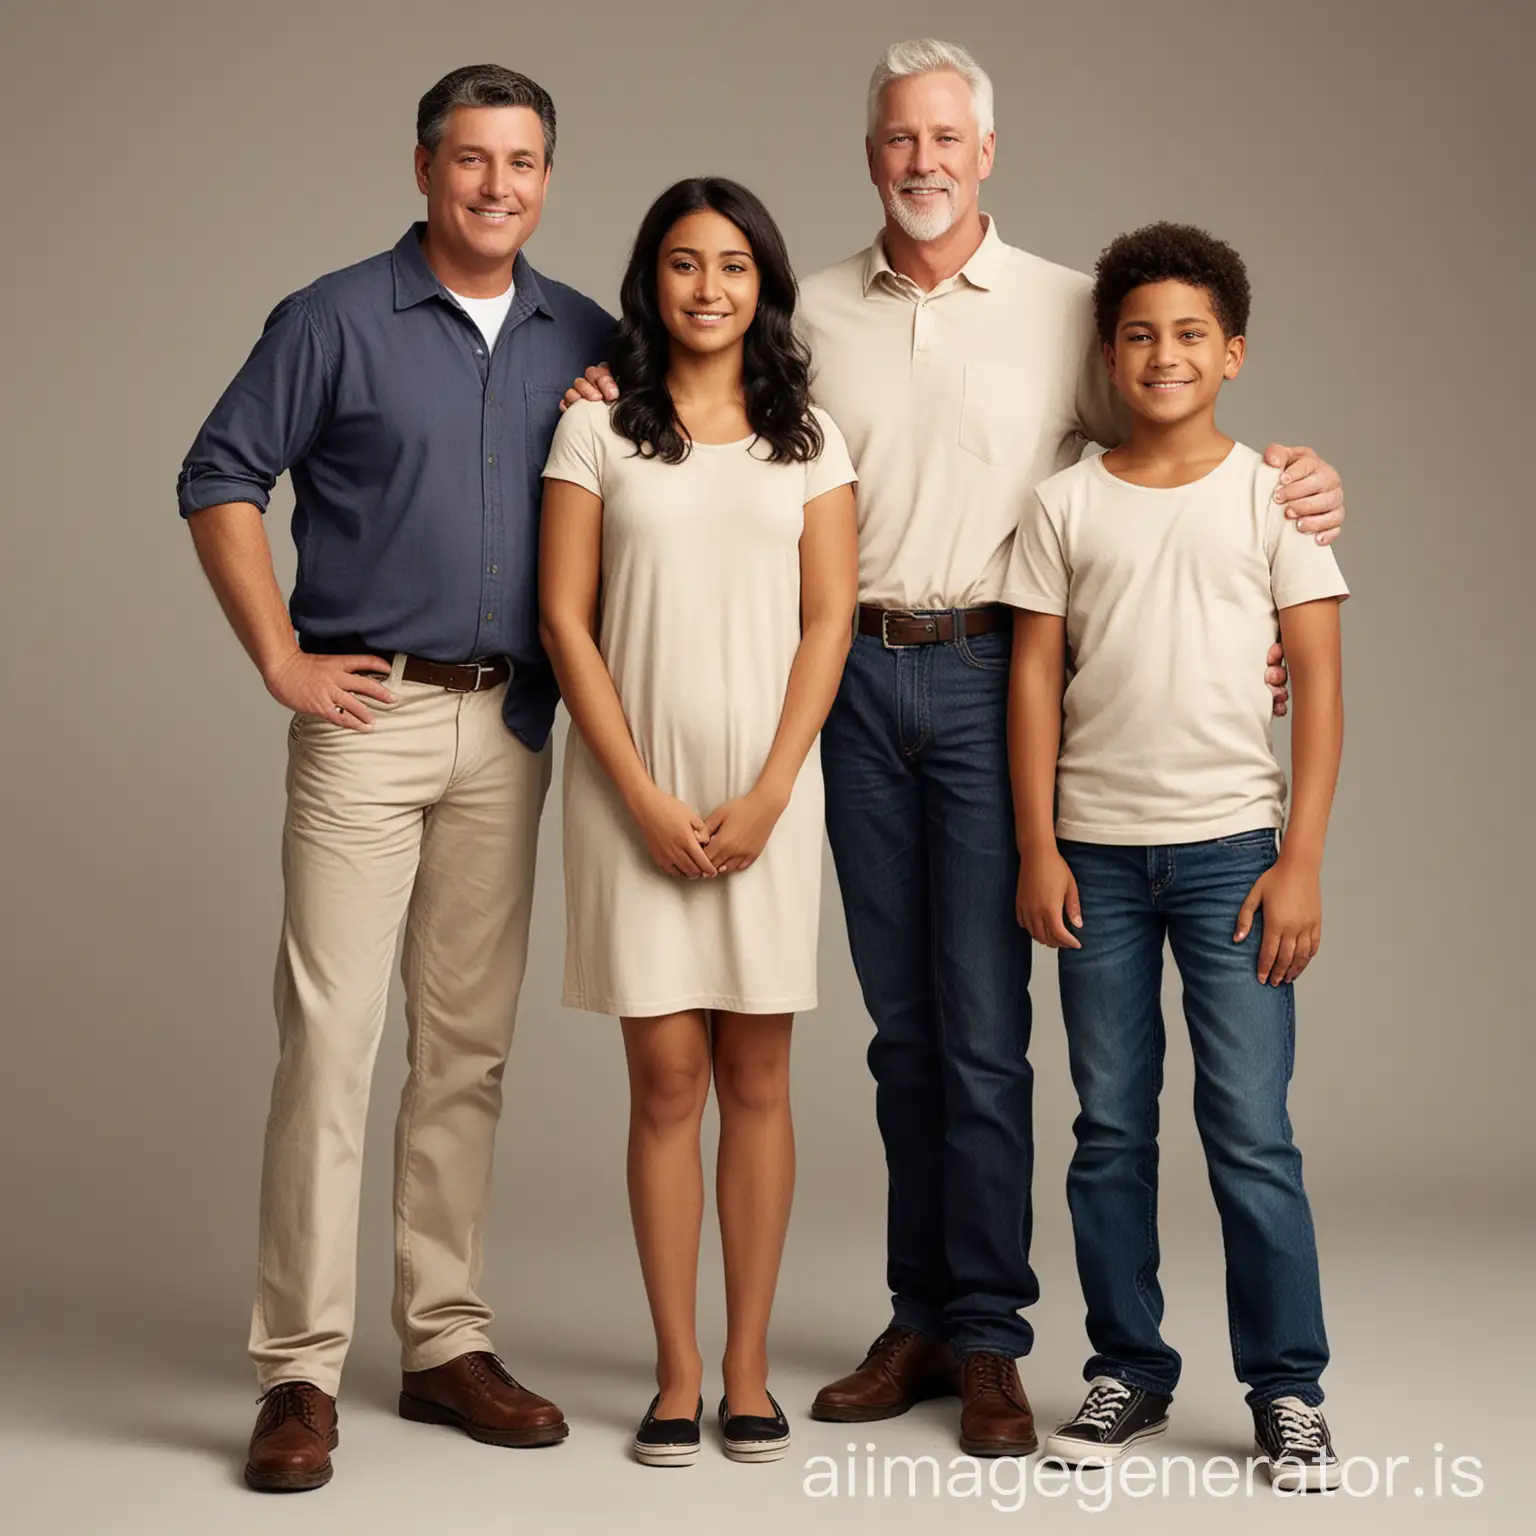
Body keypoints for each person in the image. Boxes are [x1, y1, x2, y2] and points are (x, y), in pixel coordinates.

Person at [565, 38, 1348, 1456]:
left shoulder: (1065, 310)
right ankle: (918, 1315)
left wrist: (1292, 482)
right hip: (843, 680)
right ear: (871, 155)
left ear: (986, 152)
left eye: (945, 139)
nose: (921, 162)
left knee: (986, 1032)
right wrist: (589, 392)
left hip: (997, 673)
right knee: (900, 1028)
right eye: (896, 140)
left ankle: (992, 1335)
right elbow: (689, 398)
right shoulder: (802, 312)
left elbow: (1170, 452)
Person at [177, 65, 614, 1491]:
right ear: (425, 169)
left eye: (526, 162)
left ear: (549, 178)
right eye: (474, 160)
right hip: (364, 721)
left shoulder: (588, 339)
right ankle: (298, 1375)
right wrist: (280, 658)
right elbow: (220, 477)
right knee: (332, 1044)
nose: (500, 186)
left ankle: (442, 1346)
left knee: (467, 1054)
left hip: (513, 733)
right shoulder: (332, 319)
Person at [1007, 222, 1347, 1490]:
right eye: (1140, 334)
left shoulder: (1272, 495)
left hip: (1231, 861)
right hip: (1094, 856)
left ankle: (1289, 1386)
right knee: (1107, 1128)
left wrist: (1298, 858)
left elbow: (1317, 685)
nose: (1164, 355)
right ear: (1110, 353)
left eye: (1191, 334)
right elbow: (1033, 686)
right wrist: (1037, 846)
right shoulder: (1065, 502)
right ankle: (1128, 1370)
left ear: (1235, 353)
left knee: (1251, 1128)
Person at [539, 177, 858, 1467]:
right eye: (682, 264)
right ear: (650, 282)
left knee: (760, 1079)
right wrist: (642, 796)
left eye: (732, 265)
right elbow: (566, 619)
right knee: (667, 1081)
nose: (708, 288)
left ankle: (747, 1368)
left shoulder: (812, 439)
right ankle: (676, 1371)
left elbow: (830, 617)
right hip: (636, 786)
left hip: (769, 788)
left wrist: (778, 786)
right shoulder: (598, 433)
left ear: (763, 285)